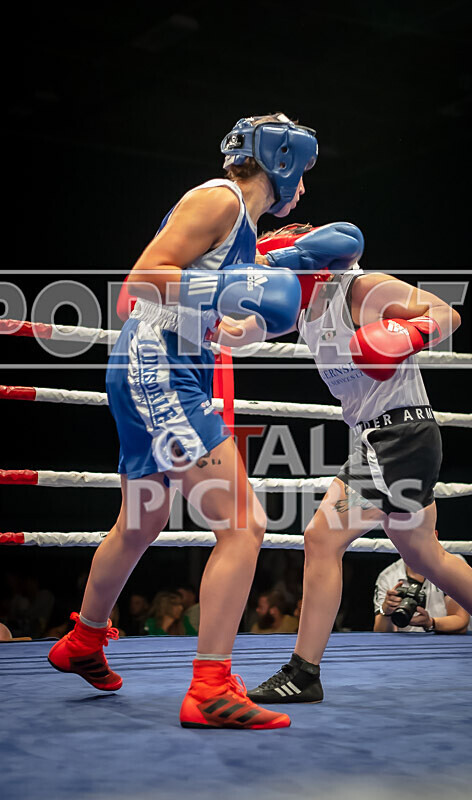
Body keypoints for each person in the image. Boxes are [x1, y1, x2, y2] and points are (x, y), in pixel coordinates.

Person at [48, 114, 318, 730]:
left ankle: (84, 640)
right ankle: (210, 689)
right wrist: (232, 291)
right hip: (160, 369)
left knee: (141, 521)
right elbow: (142, 280)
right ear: (281, 161)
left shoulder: (241, 227)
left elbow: (196, 301)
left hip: (159, 365)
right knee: (244, 524)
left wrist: (239, 322)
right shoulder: (219, 198)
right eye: (303, 172)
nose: (304, 186)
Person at [242, 222, 472, 704]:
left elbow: (446, 313)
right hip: (384, 438)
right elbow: (241, 332)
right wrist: (192, 315)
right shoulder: (302, 310)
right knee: (424, 555)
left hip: (400, 435)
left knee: (321, 538)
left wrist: (403, 335)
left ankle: (304, 671)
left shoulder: (360, 289)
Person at [373, 553, 470, 634]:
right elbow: (381, 634)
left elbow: (461, 623)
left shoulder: (453, 564)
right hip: (407, 645)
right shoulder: (387, 576)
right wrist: (386, 612)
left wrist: (430, 623)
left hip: (450, 643)